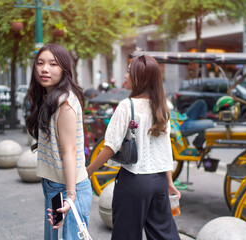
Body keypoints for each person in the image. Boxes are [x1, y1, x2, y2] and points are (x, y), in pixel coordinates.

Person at [87, 55, 181, 240]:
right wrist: (169, 183)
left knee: (126, 235)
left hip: (134, 181)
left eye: (129, 72)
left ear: (140, 78)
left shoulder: (126, 106)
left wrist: (88, 171)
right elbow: (164, 149)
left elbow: (111, 147)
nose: (125, 75)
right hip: (160, 181)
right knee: (163, 234)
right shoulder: (161, 107)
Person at [25, 43, 92, 240]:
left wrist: (70, 197)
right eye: (40, 63)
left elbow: (69, 151)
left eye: (53, 64)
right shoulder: (48, 98)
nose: (44, 69)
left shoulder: (65, 103)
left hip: (69, 188)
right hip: (54, 185)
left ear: (64, 69)